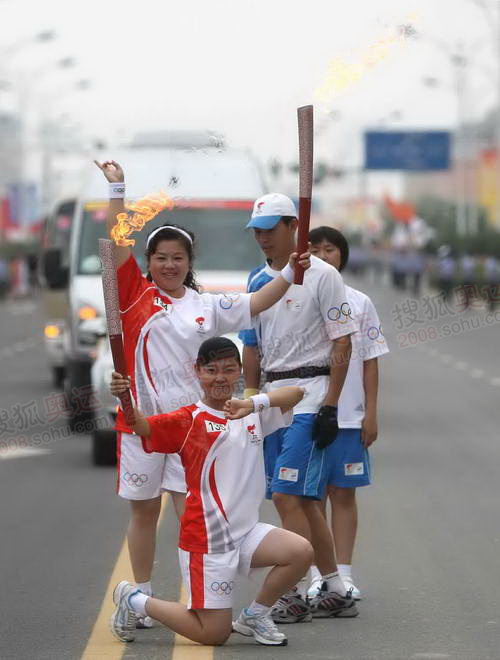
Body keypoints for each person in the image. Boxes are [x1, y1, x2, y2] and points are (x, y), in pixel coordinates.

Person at [94, 161, 310, 627]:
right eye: (160, 257)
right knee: (144, 512)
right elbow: (116, 246)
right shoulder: (134, 295)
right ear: (149, 263)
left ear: (190, 263)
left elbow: (256, 302)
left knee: (188, 511)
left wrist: (291, 273)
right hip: (140, 423)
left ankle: (195, 595)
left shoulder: (206, 305)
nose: (169, 265)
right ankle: (141, 597)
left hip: (190, 427)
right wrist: (117, 190)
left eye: (178, 258)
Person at [109, 336, 313, 647]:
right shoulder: (188, 419)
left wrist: (251, 402)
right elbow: (141, 426)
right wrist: (124, 397)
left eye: (229, 370)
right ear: (198, 372)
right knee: (213, 634)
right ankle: (134, 599)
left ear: (239, 371)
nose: (220, 377)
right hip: (208, 539)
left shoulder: (252, 412)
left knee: (300, 552)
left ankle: (255, 615)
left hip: (245, 531)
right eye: (211, 370)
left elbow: (296, 393)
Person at [239, 193, 359, 621]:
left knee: (289, 493)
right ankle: (334, 585)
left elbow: (342, 340)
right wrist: (252, 399)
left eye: (270, 229)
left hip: (311, 391)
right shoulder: (257, 281)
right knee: (301, 500)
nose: (262, 238)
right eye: (257, 231)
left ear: (293, 226)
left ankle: (290, 590)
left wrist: (330, 405)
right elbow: (250, 347)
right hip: (273, 396)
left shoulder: (325, 275)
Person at [307, 226, 389, 600]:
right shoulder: (296, 297)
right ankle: (316, 576)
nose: (324, 256)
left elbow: (370, 361)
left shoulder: (359, 302)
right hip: (305, 411)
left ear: (342, 255)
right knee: (309, 498)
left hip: (349, 417)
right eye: (316, 249)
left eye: (330, 249)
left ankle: (344, 574)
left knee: (342, 494)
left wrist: (370, 413)